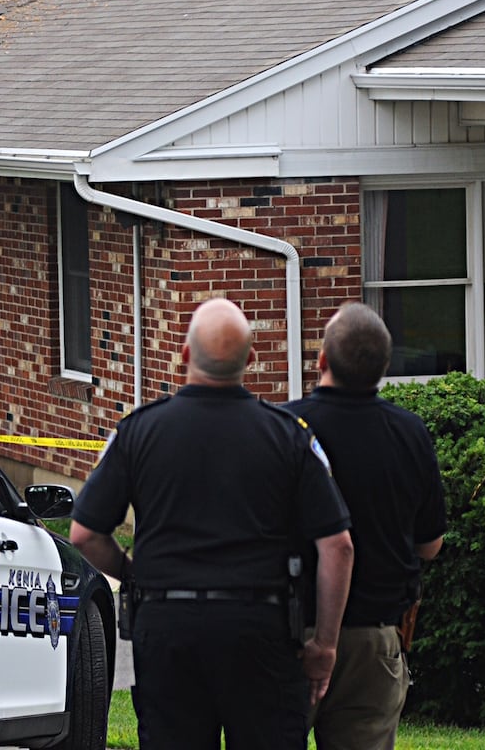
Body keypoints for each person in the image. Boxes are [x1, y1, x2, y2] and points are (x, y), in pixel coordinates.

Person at [70, 297, 354, 750]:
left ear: (184, 355)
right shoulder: (289, 435)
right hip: (260, 629)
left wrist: (132, 570)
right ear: (252, 360)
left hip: (167, 627)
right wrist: (324, 645)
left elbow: (84, 535)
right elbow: (337, 546)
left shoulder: (138, 432)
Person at [283, 301, 446, 750]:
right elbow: (430, 546)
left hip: (288, 632)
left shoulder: (284, 428)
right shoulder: (411, 433)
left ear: (321, 359)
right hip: (376, 639)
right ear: (384, 367)